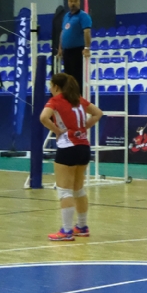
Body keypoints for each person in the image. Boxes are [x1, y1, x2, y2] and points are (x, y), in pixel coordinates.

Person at [39, 72, 103, 241]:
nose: (50, 89)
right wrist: (84, 127)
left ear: (56, 87)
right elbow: (98, 113)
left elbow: (43, 117)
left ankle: (66, 231)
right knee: (78, 189)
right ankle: (82, 226)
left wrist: (57, 131)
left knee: (64, 190)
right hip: (84, 147)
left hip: (67, 147)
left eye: (51, 86)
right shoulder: (78, 100)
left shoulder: (56, 101)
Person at [59, 0, 92, 90]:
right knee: (67, 78)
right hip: (67, 52)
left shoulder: (83, 16)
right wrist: (60, 48)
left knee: (76, 78)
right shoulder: (66, 16)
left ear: (79, 2)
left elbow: (87, 32)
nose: (73, 3)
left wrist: (87, 48)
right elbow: (63, 32)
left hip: (77, 51)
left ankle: (78, 97)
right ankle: (69, 97)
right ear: (68, 3)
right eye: (71, 1)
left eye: (75, 1)